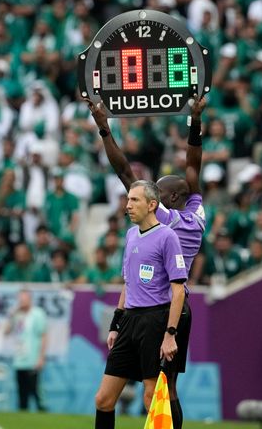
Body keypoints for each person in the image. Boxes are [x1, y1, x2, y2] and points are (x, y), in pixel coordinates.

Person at [88, 96, 207, 429]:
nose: (134, 200)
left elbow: (125, 171)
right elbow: (193, 167)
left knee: (157, 395)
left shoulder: (164, 225)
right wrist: (194, 123)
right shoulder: (195, 214)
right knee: (162, 394)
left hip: (164, 312)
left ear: (163, 201)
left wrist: (103, 128)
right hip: (144, 312)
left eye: (153, 192)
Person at [93, 180, 188, 429]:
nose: (128, 205)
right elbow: (128, 282)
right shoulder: (131, 234)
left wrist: (170, 335)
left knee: (151, 398)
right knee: (103, 399)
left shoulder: (167, 237)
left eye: (134, 200)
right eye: (127, 200)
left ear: (152, 204)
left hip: (154, 321)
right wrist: (115, 324)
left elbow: (178, 292)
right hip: (129, 322)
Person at [6, 289, 48, 411]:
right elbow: (6, 331)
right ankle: (22, 413)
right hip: (19, 359)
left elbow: (43, 335)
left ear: (30, 299)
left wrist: (41, 357)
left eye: (24, 299)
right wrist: (11, 315)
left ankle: (42, 412)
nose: (22, 302)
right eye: (20, 299)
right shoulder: (17, 315)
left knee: (36, 391)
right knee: (21, 392)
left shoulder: (37, 314)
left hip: (33, 359)